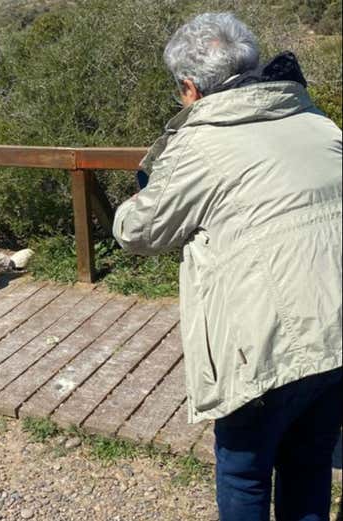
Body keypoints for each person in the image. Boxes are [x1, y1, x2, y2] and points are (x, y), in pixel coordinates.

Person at [113, 12, 342, 521]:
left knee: (244, 471)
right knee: (309, 464)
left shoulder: (202, 144)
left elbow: (136, 232)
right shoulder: (319, 123)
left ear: (189, 87)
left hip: (264, 345)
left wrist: (156, 171)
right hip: (337, 336)